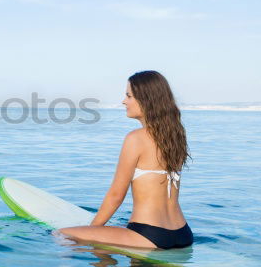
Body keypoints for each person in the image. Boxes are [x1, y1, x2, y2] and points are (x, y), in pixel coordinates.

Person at [58, 70, 193, 249]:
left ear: (145, 99)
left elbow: (116, 195)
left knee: (63, 234)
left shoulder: (136, 138)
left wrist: (91, 233)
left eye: (129, 96)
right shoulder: (176, 136)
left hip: (149, 234)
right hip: (182, 233)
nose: (124, 101)